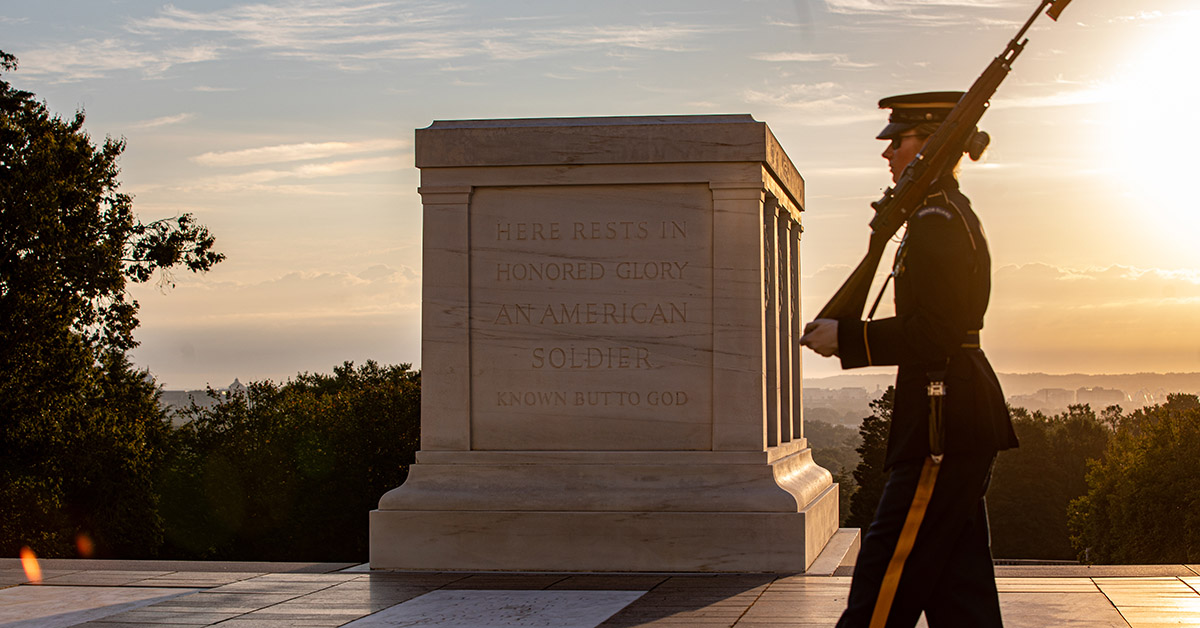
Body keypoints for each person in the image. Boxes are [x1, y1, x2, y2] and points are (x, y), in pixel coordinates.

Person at [800, 91, 1019, 628]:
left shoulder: (936, 220)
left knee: (885, 581)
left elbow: (937, 330)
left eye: (898, 140)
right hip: (952, 412)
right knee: (958, 590)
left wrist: (849, 339)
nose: (887, 153)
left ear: (930, 147)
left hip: (942, 421)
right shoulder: (939, 213)